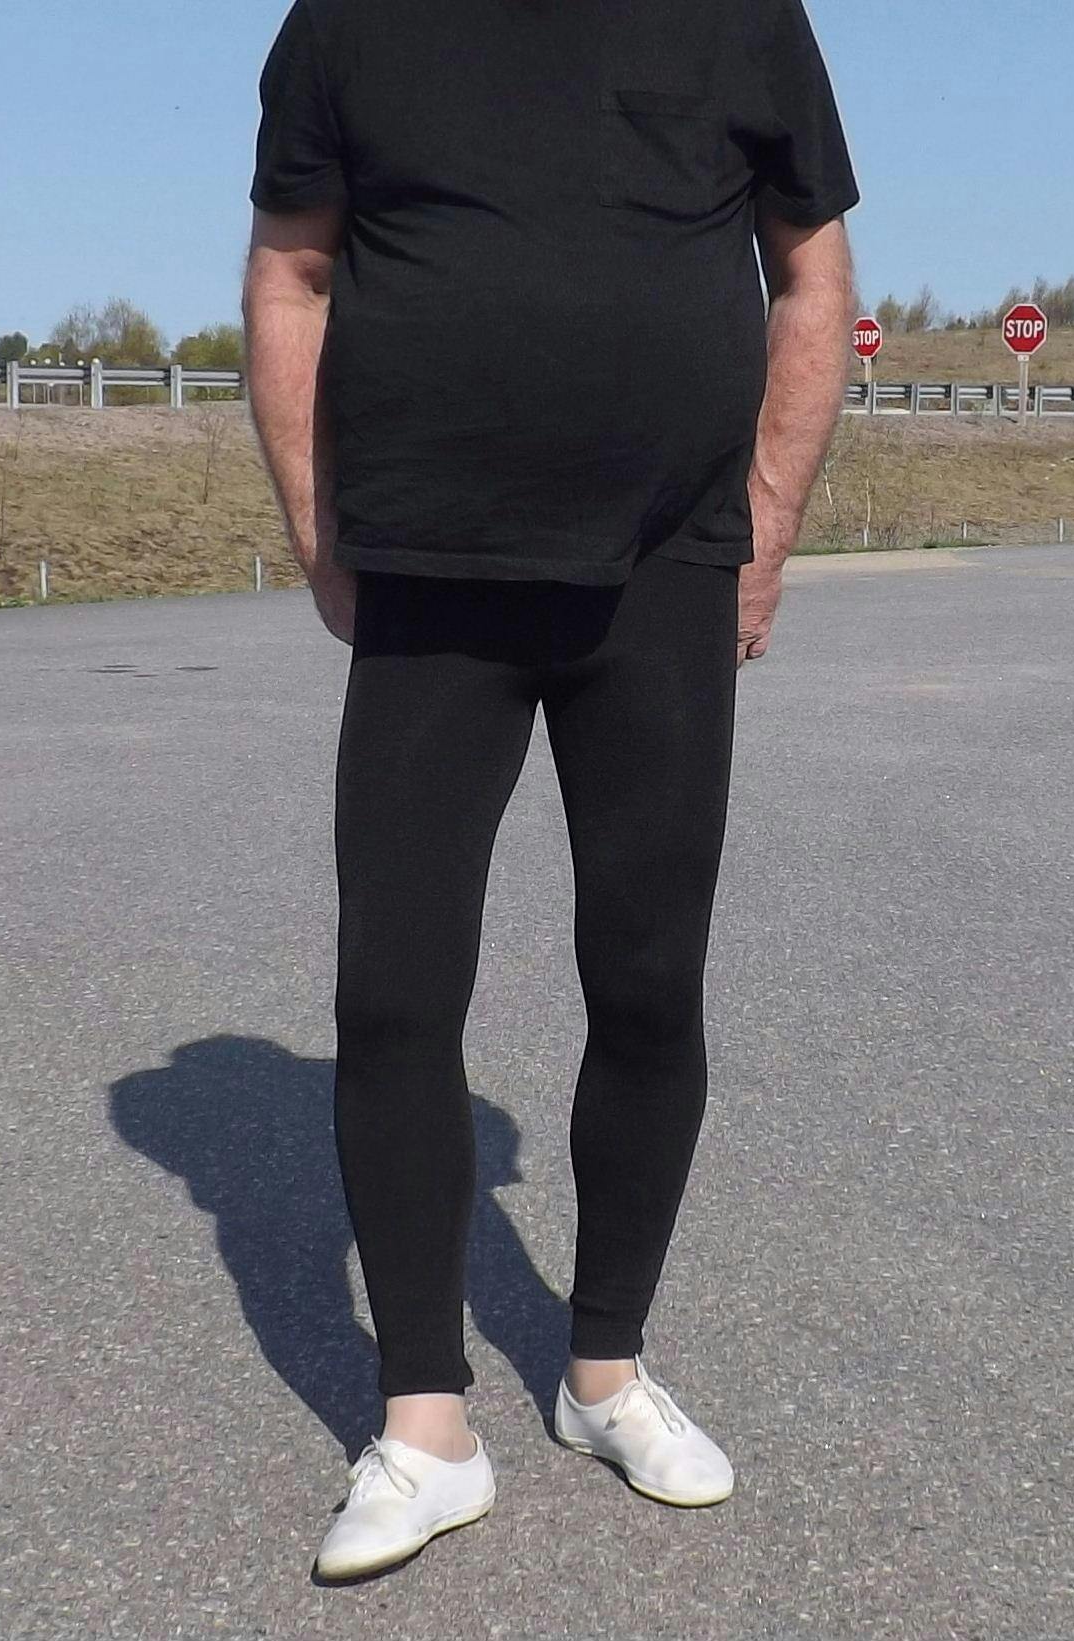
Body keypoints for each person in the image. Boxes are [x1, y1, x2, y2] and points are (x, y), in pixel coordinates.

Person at [242, 0, 859, 1580]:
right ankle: (424, 1427)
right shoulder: (349, 20)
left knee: (647, 981)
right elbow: (293, 271)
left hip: (664, 575)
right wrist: (321, 527)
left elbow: (811, 271)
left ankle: (606, 1370)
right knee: (394, 991)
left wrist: (767, 521)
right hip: (429, 567)